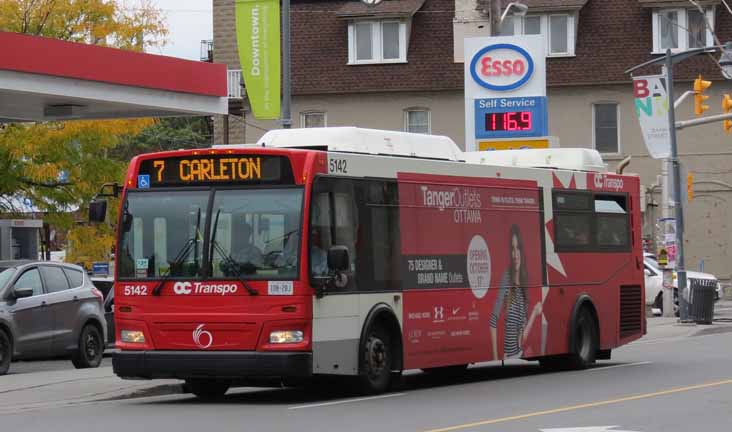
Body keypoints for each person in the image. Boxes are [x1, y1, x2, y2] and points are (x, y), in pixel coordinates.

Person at [489, 224, 543, 360]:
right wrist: (496, 359)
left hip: (519, 356)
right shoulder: (507, 278)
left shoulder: (524, 284)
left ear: (522, 251)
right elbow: (493, 319)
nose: (515, 254)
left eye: (518, 248)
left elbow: (521, 338)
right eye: (512, 249)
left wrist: (534, 314)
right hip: (507, 357)